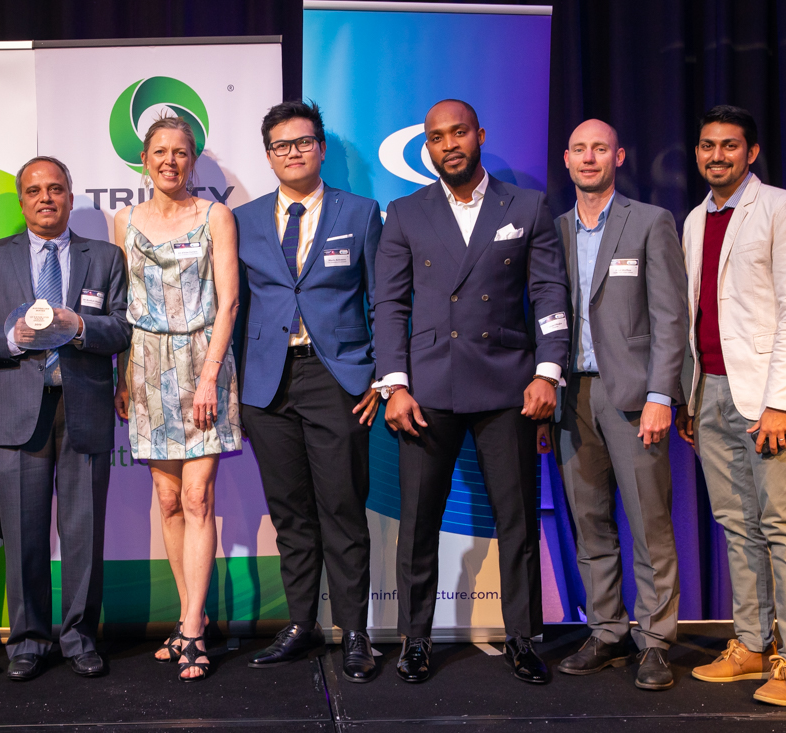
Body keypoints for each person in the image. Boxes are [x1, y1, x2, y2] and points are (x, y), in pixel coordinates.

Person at [373, 99, 569, 685]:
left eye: (458, 132)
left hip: (509, 385)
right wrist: (395, 385)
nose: (449, 144)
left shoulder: (526, 206)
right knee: (418, 523)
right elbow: (389, 306)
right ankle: (416, 639)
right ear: (426, 147)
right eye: (436, 137)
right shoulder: (404, 213)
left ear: (479, 135)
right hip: (427, 389)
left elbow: (551, 296)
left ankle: (521, 637)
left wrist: (549, 371)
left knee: (517, 523)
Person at [676, 105, 786, 706]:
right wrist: (690, 396)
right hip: (710, 390)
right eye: (708, 145)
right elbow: (698, 318)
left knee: (784, 527)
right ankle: (751, 644)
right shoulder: (693, 220)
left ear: (752, 152)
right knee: (739, 529)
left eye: (730, 146)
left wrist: (780, 404)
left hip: (769, 400)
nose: (717, 156)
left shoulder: (782, 208)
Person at [233, 101, 383, 683]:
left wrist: (382, 376)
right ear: (268, 155)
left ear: (320, 148)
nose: (292, 152)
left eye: (303, 142)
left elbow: (383, 301)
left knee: (342, 510)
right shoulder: (241, 219)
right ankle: (301, 624)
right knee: (291, 514)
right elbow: (231, 305)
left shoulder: (363, 213)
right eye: (280, 145)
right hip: (266, 383)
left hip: (337, 378)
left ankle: (356, 632)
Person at [0, 156, 130, 682]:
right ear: (21, 200)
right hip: (18, 411)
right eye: (34, 190)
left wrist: (80, 324)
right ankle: (29, 640)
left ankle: (80, 637)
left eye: (56, 189)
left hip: (82, 409)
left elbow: (124, 327)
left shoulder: (103, 257)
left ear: (69, 195)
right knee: (22, 533)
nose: (46, 198)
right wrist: (13, 339)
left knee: (83, 533)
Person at [544, 119, 687, 690]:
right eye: (579, 149)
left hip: (632, 397)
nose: (588, 158)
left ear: (618, 156)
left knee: (649, 523)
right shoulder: (552, 230)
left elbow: (671, 317)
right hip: (571, 395)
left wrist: (660, 396)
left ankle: (655, 641)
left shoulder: (650, 222)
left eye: (599, 148)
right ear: (566, 158)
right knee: (589, 522)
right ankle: (607, 631)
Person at [113, 115, 241, 681]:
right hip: (143, 368)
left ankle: (191, 629)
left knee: (197, 499)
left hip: (202, 366)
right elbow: (121, 307)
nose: (170, 160)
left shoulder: (216, 216)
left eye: (181, 152)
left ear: (193, 160)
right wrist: (122, 375)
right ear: (145, 159)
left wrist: (210, 377)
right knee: (166, 502)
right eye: (160, 151)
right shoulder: (123, 221)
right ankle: (193, 614)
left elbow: (230, 302)